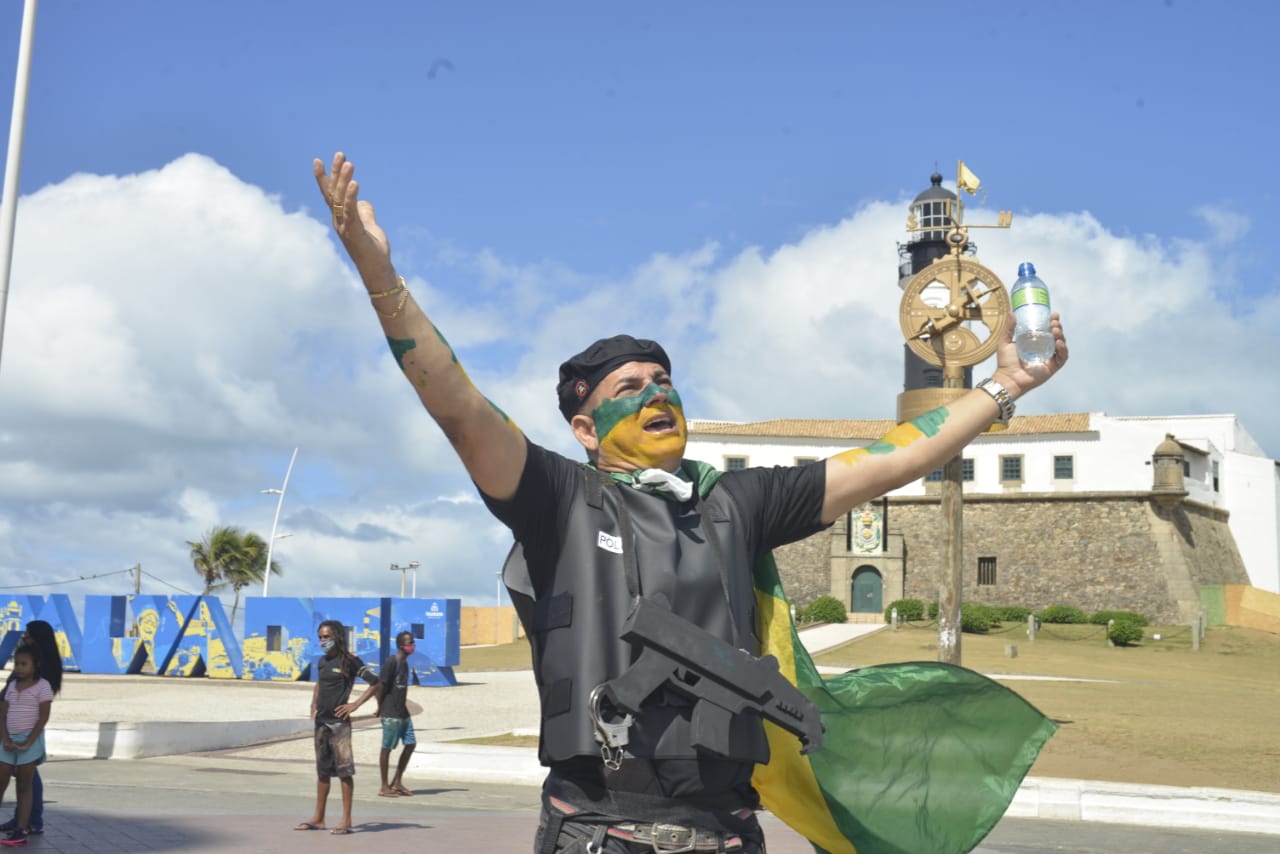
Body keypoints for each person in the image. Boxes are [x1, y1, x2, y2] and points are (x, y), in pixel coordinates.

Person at [313, 152, 1068, 853]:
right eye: (629, 389)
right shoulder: (559, 499)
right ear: (585, 428)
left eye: (664, 380)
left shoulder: (737, 504)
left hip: (724, 827)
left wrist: (1006, 386)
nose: (656, 393)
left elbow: (890, 460)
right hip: (600, 826)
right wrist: (382, 278)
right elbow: (460, 407)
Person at [293, 619, 380, 836]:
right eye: (320, 637)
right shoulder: (322, 661)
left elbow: (376, 682)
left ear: (337, 637)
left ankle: (346, 820)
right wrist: (313, 703)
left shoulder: (350, 661)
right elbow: (320, 683)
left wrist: (355, 704)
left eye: (326, 637)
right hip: (321, 722)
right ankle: (319, 818)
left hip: (339, 724)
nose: (322, 641)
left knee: (344, 771)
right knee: (322, 771)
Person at [1, 621, 61, 838]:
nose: (23, 639)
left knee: (27, 779)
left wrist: (28, 737)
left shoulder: (42, 671)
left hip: (27, 733)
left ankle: (30, 820)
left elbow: (42, 712)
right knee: (22, 777)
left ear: (36, 639)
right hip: (11, 727)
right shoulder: (28, 663)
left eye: (27, 636)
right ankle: (23, 819)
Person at [376, 630, 417, 798]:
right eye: (410, 643)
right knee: (387, 749)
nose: (413, 645)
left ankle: (397, 781)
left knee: (411, 743)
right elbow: (380, 686)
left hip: (403, 712)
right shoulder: (391, 662)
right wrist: (380, 707)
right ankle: (384, 786)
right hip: (390, 713)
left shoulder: (405, 664)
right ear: (402, 646)